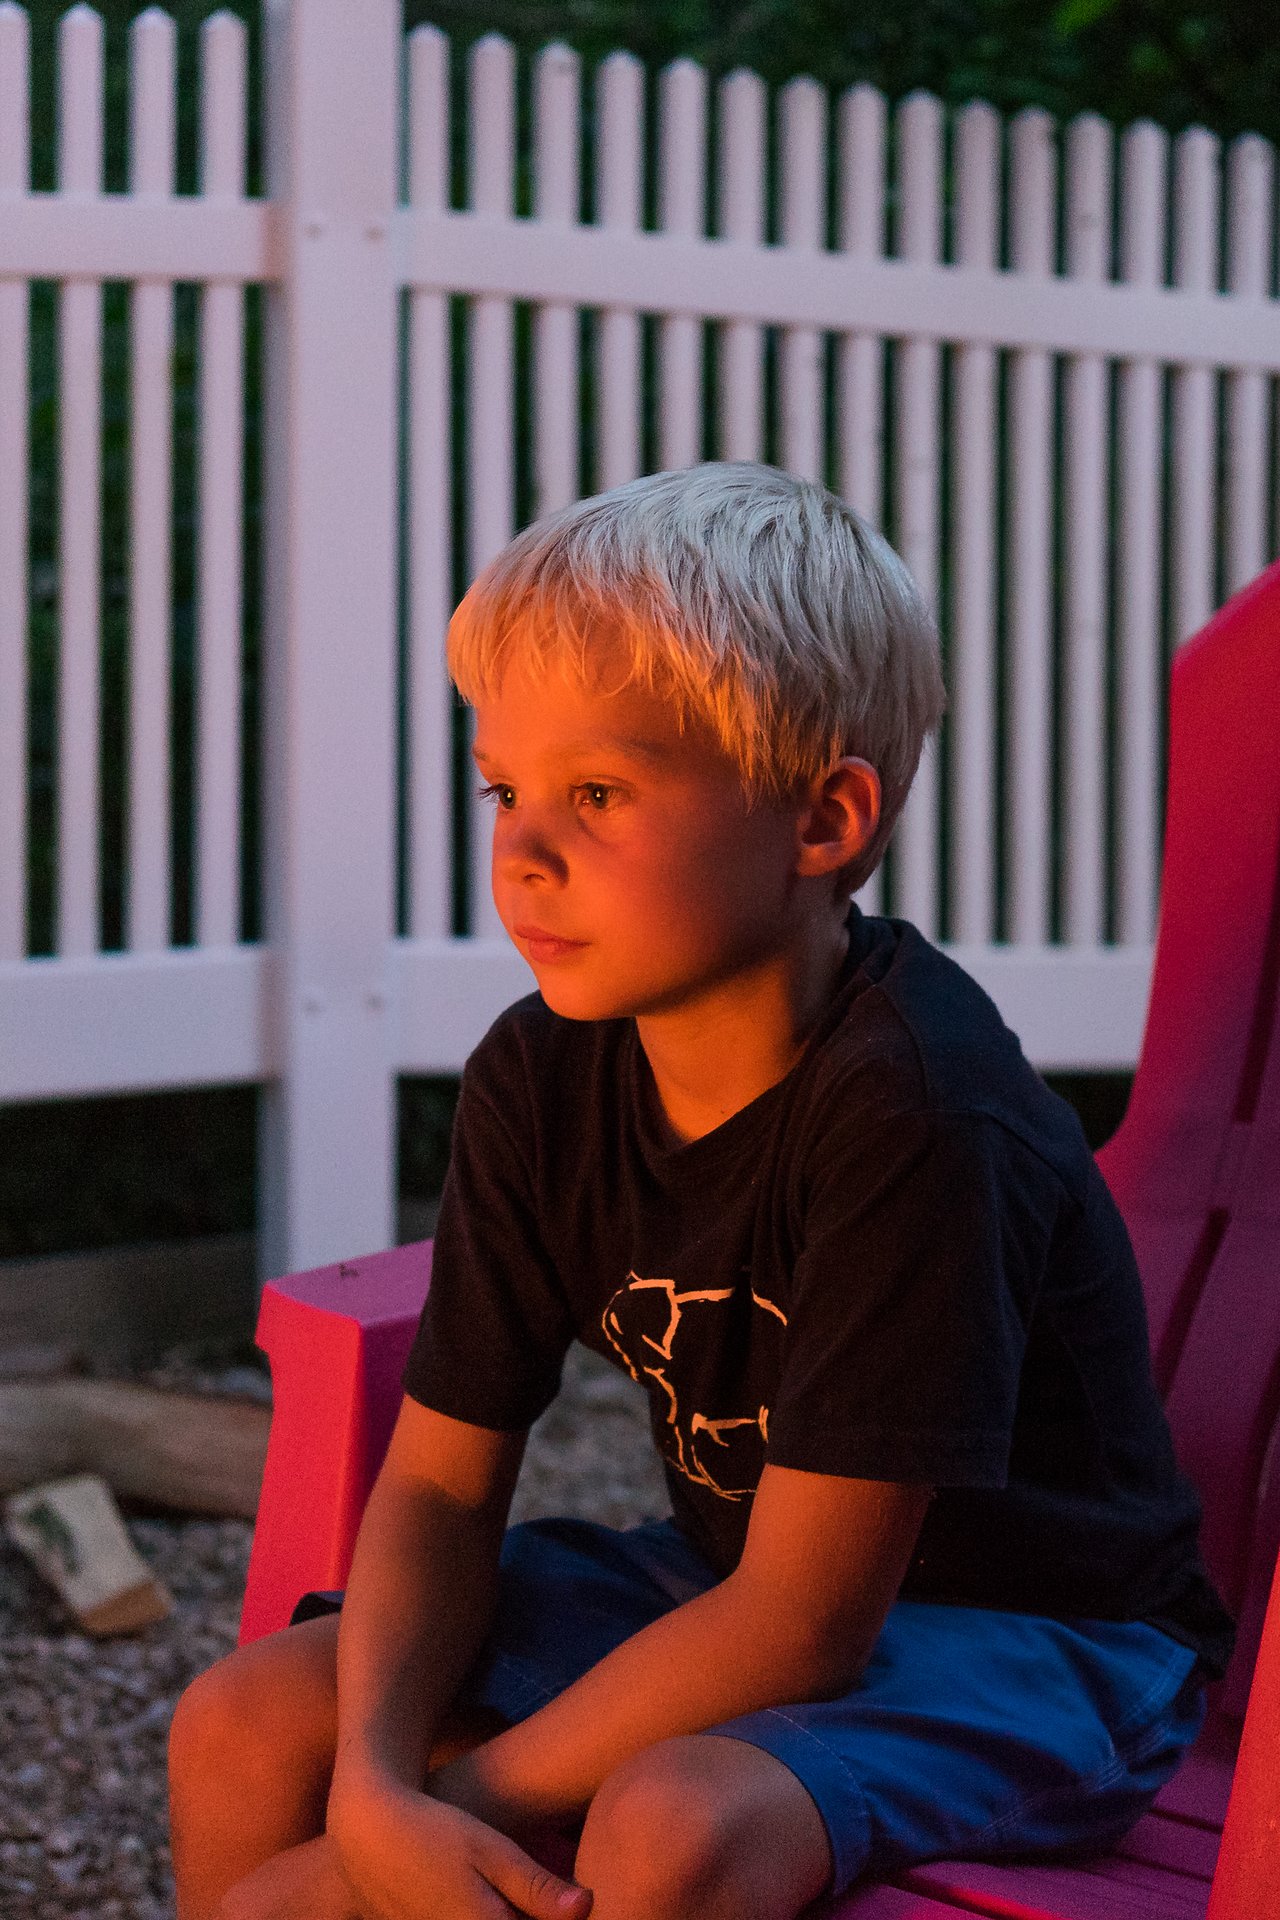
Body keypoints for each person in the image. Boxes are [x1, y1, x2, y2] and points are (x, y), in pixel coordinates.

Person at [168, 463, 1233, 1920]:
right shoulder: (541, 1078)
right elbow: (435, 1481)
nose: (521, 852)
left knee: (673, 1826)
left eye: (597, 792)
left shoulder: (917, 1104)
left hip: (1047, 1643)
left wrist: (427, 1831)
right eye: (507, 789)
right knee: (241, 1729)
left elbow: (803, 1625)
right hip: (726, 1584)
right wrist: (369, 1786)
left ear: (823, 819)